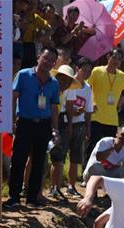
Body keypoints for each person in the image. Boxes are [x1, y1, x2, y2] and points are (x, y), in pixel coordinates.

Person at [7, 46, 60, 210]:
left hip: (43, 125)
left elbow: (53, 107)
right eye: (45, 59)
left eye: (51, 61)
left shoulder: (54, 82)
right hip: (24, 122)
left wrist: (55, 129)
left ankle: (32, 197)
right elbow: (13, 98)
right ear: (38, 57)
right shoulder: (23, 75)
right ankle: (14, 197)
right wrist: (10, 121)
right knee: (18, 160)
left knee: (39, 162)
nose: (47, 63)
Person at [87, 48, 124, 154]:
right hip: (96, 116)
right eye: (114, 57)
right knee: (92, 148)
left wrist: (122, 99)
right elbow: (87, 87)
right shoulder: (97, 71)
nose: (116, 61)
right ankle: (88, 170)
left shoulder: (122, 76)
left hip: (112, 119)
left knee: (108, 151)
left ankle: (104, 171)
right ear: (108, 57)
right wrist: (91, 103)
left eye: (119, 59)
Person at [58, 57, 93, 197]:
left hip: (79, 124)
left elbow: (89, 109)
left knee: (75, 157)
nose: (86, 73)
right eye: (84, 70)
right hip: (65, 122)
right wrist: (72, 112)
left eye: (89, 71)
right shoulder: (67, 82)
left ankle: (71, 186)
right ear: (77, 69)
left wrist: (88, 127)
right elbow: (64, 104)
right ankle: (56, 186)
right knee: (59, 156)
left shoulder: (88, 88)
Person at [46, 63, 75, 199]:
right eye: (62, 79)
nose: (65, 83)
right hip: (45, 121)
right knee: (37, 157)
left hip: (60, 122)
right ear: (57, 77)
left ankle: (55, 187)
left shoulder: (68, 91)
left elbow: (69, 107)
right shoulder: (48, 86)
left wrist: (69, 124)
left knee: (58, 157)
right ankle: (27, 187)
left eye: (68, 81)